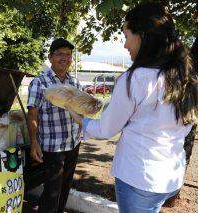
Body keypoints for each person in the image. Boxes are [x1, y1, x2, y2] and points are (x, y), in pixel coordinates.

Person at [67, 3, 198, 213]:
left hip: (139, 177)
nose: (125, 45)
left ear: (143, 36)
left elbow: (106, 129)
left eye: (127, 36)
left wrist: (81, 119)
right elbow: (186, 125)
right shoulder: (186, 78)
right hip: (169, 178)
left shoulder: (136, 79)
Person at [27, 38, 82, 213]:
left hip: (73, 143)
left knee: (65, 187)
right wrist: (34, 142)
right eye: (59, 54)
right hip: (52, 146)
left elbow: (79, 110)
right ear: (50, 57)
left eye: (68, 54)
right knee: (52, 191)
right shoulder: (40, 82)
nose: (64, 58)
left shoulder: (74, 83)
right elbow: (32, 113)